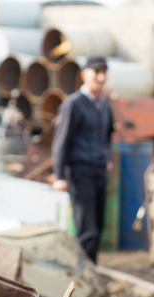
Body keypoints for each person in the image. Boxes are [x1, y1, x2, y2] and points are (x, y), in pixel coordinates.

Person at [51, 56, 115, 263]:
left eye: (104, 72)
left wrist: (106, 158)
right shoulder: (74, 104)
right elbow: (61, 140)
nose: (101, 77)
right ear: (84, 74)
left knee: (98, 226)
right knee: (87, 230)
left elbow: (106, 135)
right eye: (96, 72)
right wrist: (60, 175)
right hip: (80, 172)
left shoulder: (103, 105)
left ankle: (92, 272)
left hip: (98, 171)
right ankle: (82, 279)